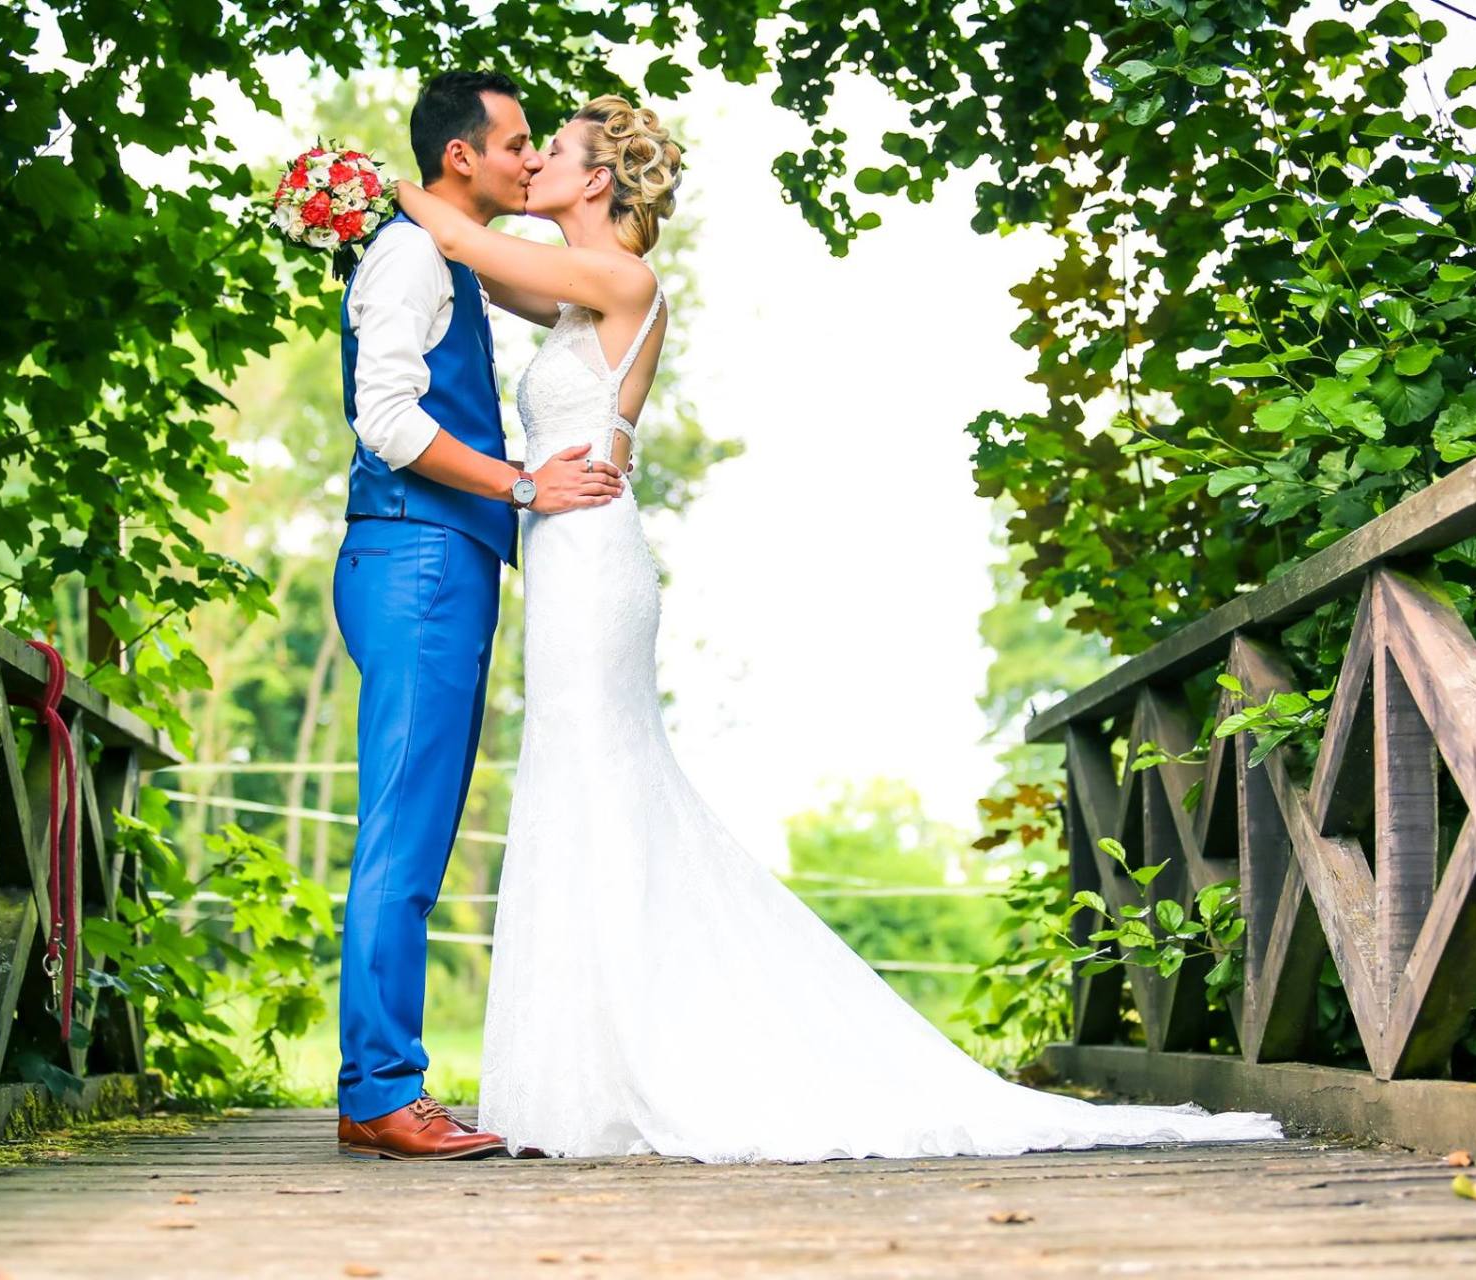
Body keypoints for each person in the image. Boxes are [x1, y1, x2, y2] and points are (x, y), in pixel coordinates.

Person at [390, 93, 1286, 1162]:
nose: (529, 164)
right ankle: (590, 1063)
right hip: (572, 552)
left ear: (595, 181)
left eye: (554, 154)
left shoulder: (620, 281)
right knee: (577, 781)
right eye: (521, 153)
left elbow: (454, 233)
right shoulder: (576, 302)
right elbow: (478, 266)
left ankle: (626, 1059)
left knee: (595, 777)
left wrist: (367, 187)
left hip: (592, 560)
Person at [330, 70, 624, 1161]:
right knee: (401, 830)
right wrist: (519, 485)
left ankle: (381, 1081)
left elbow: (572, 295)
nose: (528, 158)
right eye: (515, 144)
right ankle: (379, 1089)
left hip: (444, 558)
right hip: (417, 553)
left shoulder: (446, 246)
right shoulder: (410, 256)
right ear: (464, 156)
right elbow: (389, 422)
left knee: (419, 825)